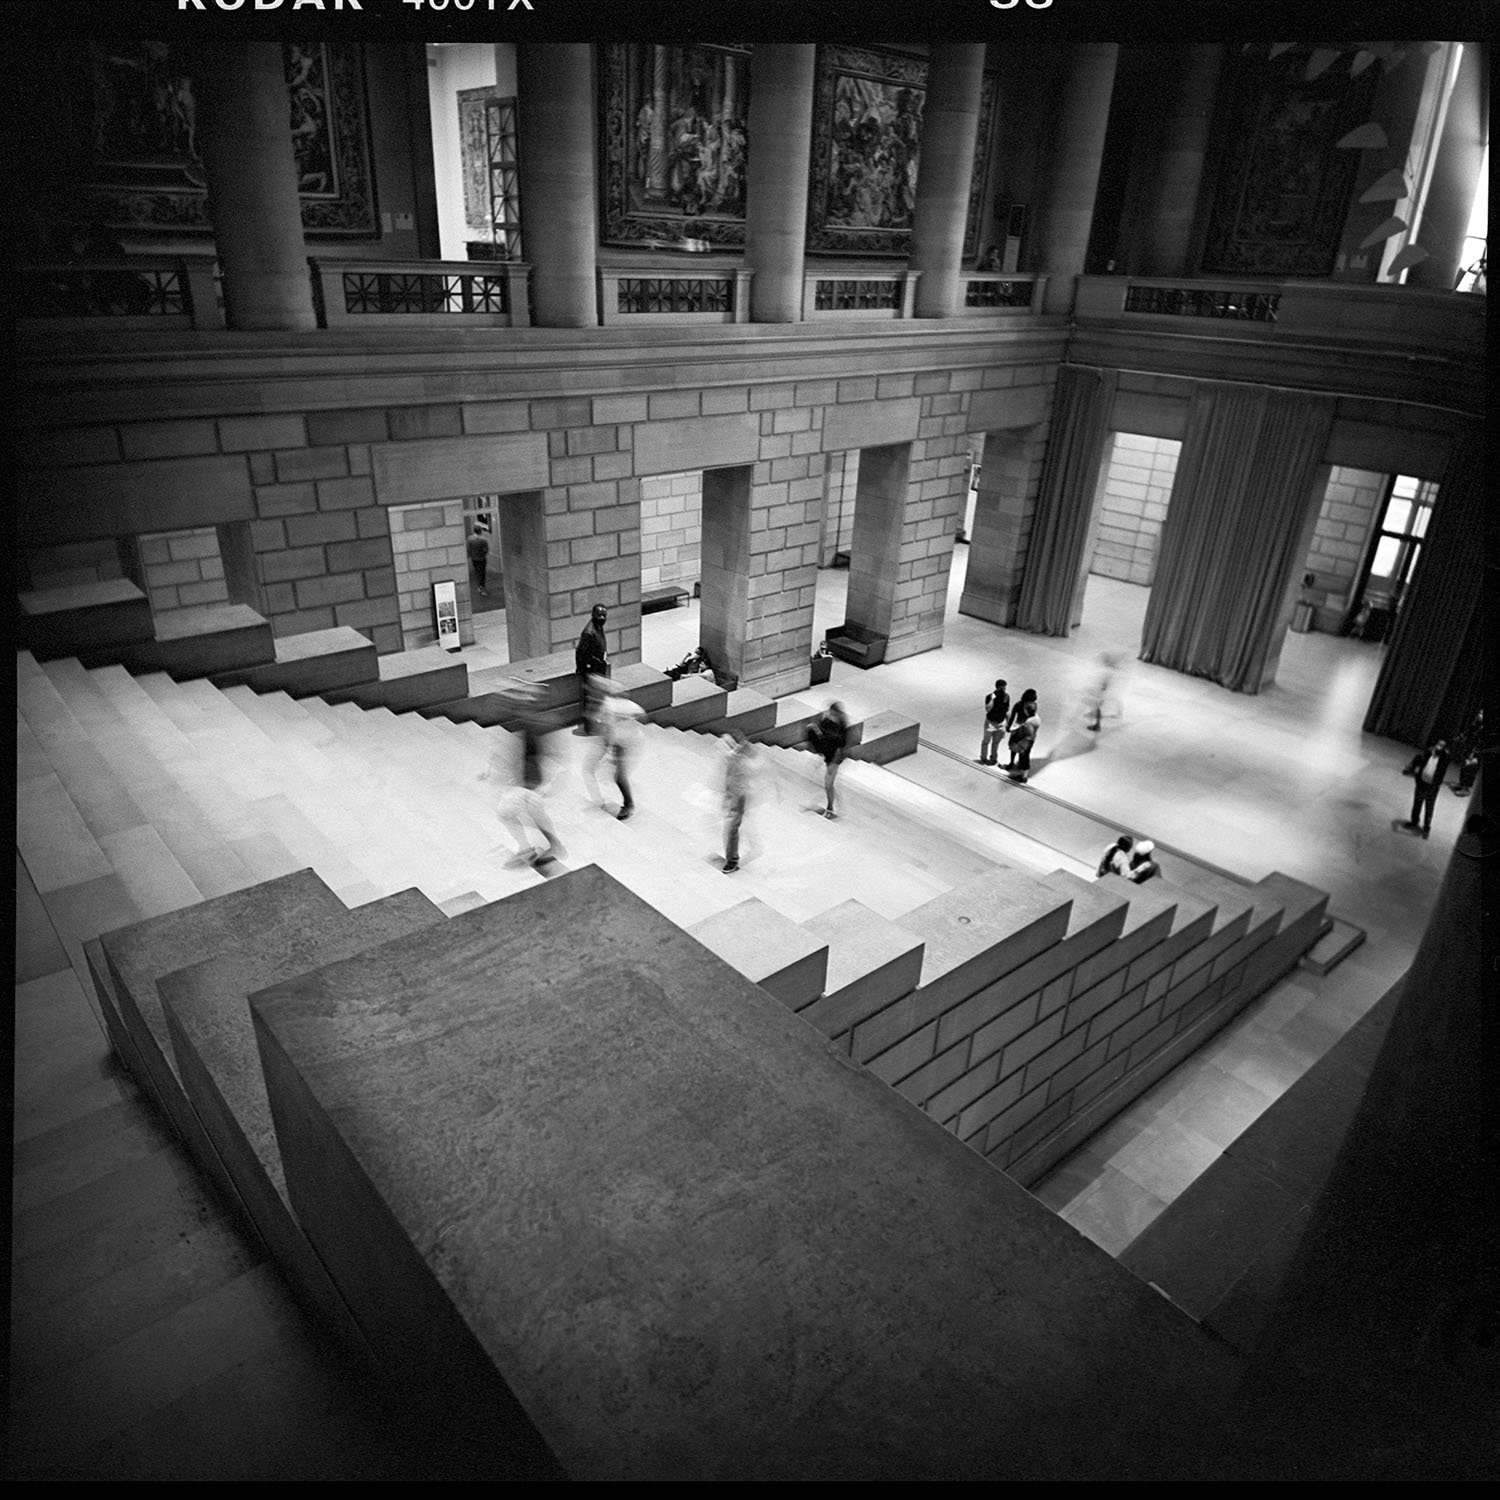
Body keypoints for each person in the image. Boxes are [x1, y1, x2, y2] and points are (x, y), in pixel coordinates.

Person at [488, 688, 564, 868]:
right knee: (531, 815)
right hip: (527, 780)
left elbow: (541, 753)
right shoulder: (534, 721)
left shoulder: (536, 722)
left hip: (530, 781)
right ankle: (548, 846)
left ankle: (539, 846)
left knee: (508, 814)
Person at [600, 690, 644, 821]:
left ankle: (629, 805)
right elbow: (642, 715)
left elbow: (606, 727)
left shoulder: (609, 706)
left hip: (627, 744)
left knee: (619, 777)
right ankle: (628, 802)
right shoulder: (630, 706)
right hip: (625, 743)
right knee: (618, 774)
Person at [721, 730, 756, 872]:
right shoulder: (733, 759)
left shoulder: (741, 761)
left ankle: (732, 860)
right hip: (734, 795)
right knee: (730, 828)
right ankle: (732, 859)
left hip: (739, 797)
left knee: (731, 829)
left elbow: (742, 783)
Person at [1402, 737, 1451, 839]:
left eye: (1442, 745)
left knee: (1429, 806)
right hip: (1422, 783)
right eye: (1438, 744)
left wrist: (1440, 753)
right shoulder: (1428, 752)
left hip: (1432, 786)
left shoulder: (1444, 757)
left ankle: (1426, 828)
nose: (1439, 746)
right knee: (1417, 802)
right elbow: (1419, 760)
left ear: (1444, 748)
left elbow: (1443, 766)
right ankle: (1414, 821)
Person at [808, 701, 850, 819]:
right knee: (829, 784)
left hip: (835, 757)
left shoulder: (841, 724)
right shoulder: (827, 721)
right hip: (829, 754)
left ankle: (830, 808)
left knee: (828, 784)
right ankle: (835, 806)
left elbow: (841, 743)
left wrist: (834, 761)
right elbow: (823, 738)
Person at [574, 603, 610, 685]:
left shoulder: (598, 625)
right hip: (592, 670)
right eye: (599, 615)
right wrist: (583, 671)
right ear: (593, 615)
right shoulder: (588, 633)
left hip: (599, 666)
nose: (602, 618)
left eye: (604, 615)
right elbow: (580, 653)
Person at [978, 678, 1010, 765]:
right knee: (986, 741)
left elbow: (1007, 711)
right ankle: (983, 757)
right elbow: (988, 709)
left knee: (996, 742)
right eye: (1002, 688)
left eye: (1005, 688)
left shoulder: (1006, 697)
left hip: (1000, 723)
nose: (1004, 690)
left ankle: (994, 758)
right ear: (997, 688)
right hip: (991, 723)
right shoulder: (990, 696)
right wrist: (993, 698)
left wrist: (1008, 723)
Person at [1006, 709, 1039, 783]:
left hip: (1025, 742)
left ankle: (1023, 777)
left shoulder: (1028, 722)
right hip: (1031, 741)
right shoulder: (1037, 718)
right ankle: (1023, 775)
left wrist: (1020, 743)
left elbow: (1026, 734)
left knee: (1024, 758)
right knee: (1026, 757)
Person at [467, 523, 490, 597]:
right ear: (480, 531)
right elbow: (486, 549)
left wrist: (470, 555)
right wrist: (484, 554)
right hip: (482, 558)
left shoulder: (470, 538)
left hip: (474, 558)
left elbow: (468, 548)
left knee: (477, 571)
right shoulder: (484, 539)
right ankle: (481, 585)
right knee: (482, 572)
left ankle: (479, 585)